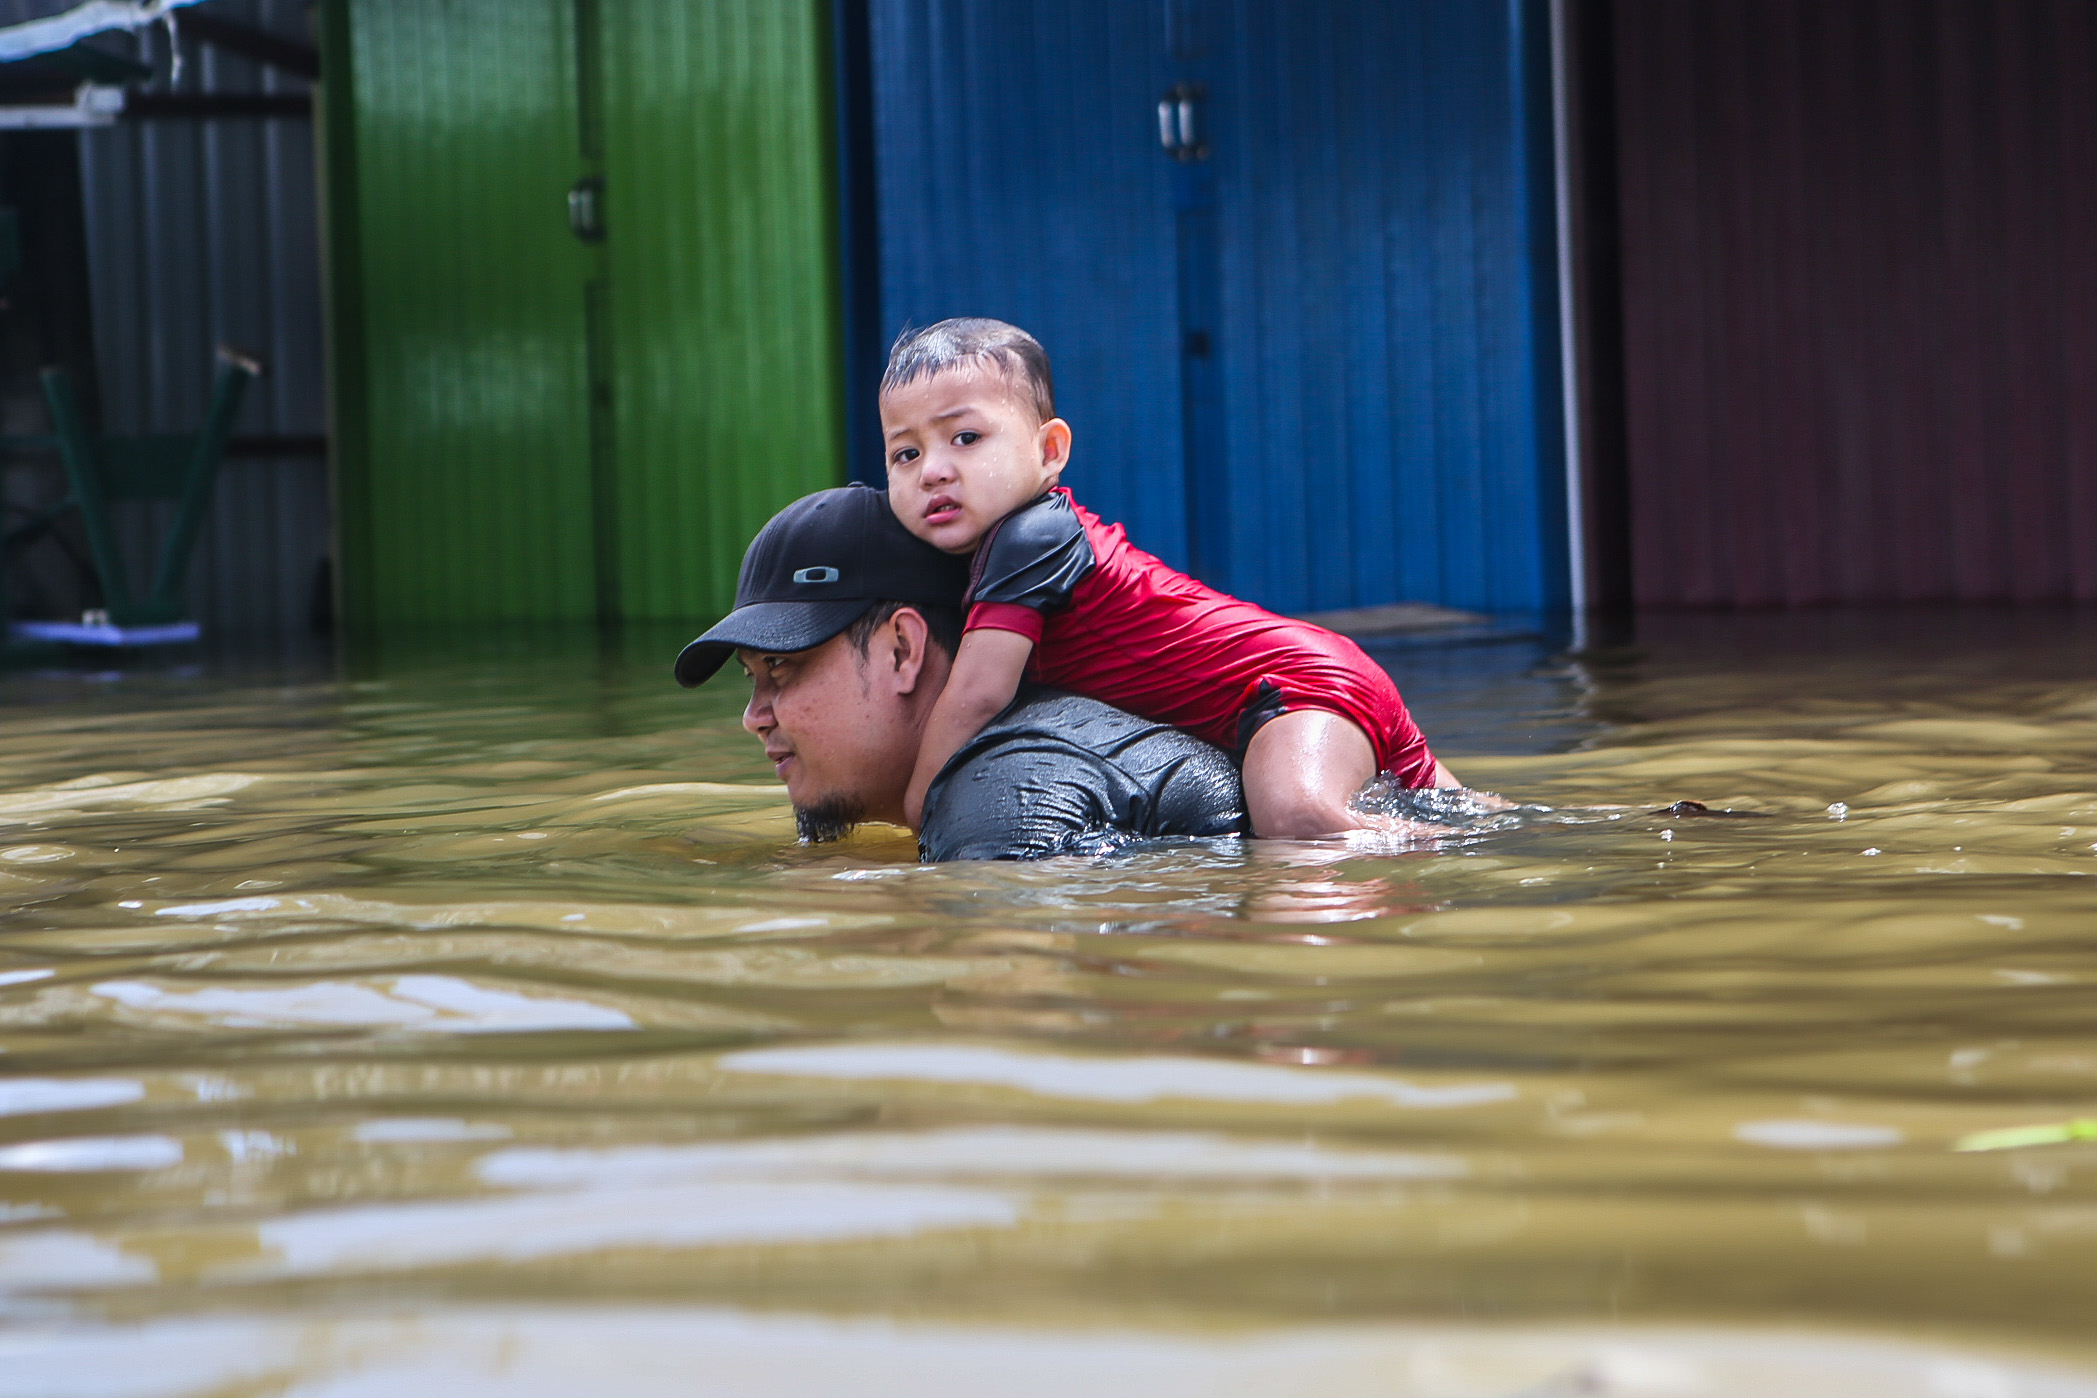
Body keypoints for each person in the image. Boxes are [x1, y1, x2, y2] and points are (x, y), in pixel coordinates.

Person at [880, 318, 1461, 840]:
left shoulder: (1029, 537)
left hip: (1289, 686)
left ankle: (1444, 851)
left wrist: (916, 799)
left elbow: (979, 694)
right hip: (1302, 679)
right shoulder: (998, 547)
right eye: (905, 454)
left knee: (1295, 822)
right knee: (1462, 808)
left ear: (1049, 450)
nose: (933, 471)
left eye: (965, 438)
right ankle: (1477, 836)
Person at [673, 485, 1246, 861]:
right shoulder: (1013, 762)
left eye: (781, 666)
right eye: (752, 677)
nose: (754, 717)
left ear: (903, 649)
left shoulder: (1003, 788)